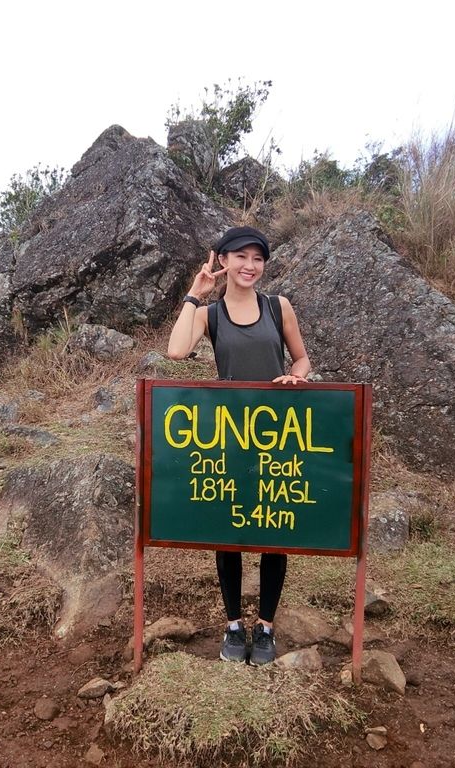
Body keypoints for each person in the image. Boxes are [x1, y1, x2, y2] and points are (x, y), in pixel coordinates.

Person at [166, 225, 311, 665]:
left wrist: (297, 376)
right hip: (229, 434)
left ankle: (265, 628)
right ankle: (233, 625)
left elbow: (302, 357)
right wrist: (195, 292)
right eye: (240, 257)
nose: (250, 266)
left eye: (258, 258)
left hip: (275, 433)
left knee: (273, 532)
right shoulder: (209, 314)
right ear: (223, 260)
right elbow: (176, 352)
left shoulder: (278, 306)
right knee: (226, 532)